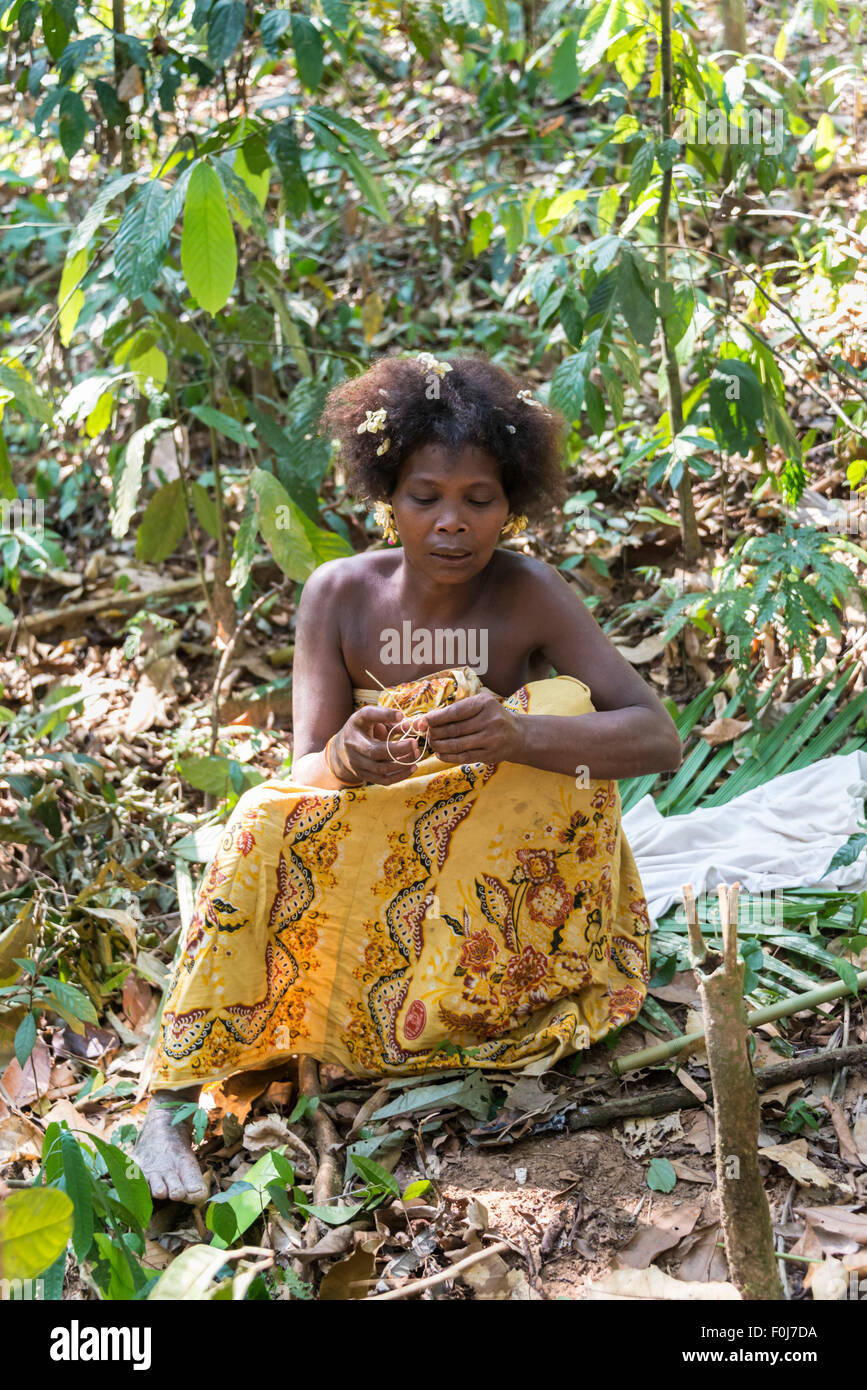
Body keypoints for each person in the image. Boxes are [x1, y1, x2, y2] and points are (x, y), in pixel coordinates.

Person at [133, 352, 681, 1201]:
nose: (451, 523)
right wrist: (347, 756)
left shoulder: (531, 592)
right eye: (426, 498)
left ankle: (461, 1006)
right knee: (258, 813)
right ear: (387, 497)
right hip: (371, 841)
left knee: (570, 708)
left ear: (512, 505)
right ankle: (166, 1105)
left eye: (479, 500)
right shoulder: (339, 593)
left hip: (484, 889)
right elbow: (304, 769)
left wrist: (519, 730)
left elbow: (657, 738)